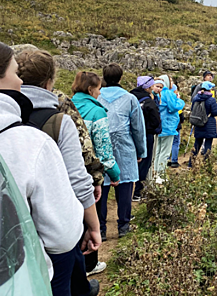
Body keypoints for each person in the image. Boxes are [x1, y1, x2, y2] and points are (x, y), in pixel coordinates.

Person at [0, 36, 96, 296]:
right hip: (9, 278)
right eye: (15, 73)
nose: (20, 82)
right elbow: (62, 235)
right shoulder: (27, 142)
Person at [16, 50, 106, 278]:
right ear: (49, 81)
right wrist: (93, 226)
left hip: (9, 227)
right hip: (54, 223)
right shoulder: (59, 116)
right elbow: (79, 173)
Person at [51, 89, 106, 276]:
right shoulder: (61, 103)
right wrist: (97, 177)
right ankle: (85, 269)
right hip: (62, 192)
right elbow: (85, 149)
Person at [98, 64, 147, 238]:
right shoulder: (130, 98)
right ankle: (123, 226)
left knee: (101, 188)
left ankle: (100, 229)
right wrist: (141, 151)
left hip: (100, 147)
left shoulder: (97, 97)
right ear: (120, 78)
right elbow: (138, 128)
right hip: (124, 146)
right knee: (126, 186)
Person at [71, 71, 121, 242]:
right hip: (89, 172)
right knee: (91, 216)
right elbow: (103, 148)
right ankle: (91, 261)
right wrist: (114, 173)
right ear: (91, 89)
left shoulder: (65, 106)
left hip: (66, 170)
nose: (100, 92)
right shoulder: (97, 112)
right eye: (99, 89)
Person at [130, 76, 161, 201]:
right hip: (146, 135)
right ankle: (138, 192)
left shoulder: (130, 97)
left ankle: (126, 191)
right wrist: (154, 129)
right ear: (148, 87)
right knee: (144, 162)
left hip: (129, 133)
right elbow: (155, 120)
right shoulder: (148, 102)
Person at [154, 75, 185, 182]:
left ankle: (155, 173)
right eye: (170, 80)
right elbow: (174, 107)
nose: (171, 82)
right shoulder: (168, 93)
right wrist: (180, 100)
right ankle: (160, 175)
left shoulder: (157, 93)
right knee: (165, 152)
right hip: (168, 126)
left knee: (157, 151)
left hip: (159, 126)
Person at [189, 81, 217, 168]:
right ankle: (206, 165)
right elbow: (215, 112)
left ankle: (190, 164)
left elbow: (192, 109)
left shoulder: (196, 98)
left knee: (197, 144)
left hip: (198, 124)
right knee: (208, 145)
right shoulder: (211, 99)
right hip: (209, 124)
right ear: (210, 89)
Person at [167, 85, 184, 168]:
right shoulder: (176, 101)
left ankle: (166, 159)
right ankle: (174, 160)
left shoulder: (164, 98)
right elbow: (181, 116)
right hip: (176, 125)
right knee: (175, 143)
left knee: (167, 143)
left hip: (166, 125)